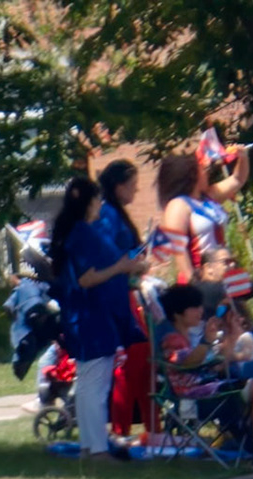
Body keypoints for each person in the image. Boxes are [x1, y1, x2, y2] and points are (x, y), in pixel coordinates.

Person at [52, 175, 149, 461]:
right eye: (97, 199)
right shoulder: (82, 233)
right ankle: (96, 450)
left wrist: (125, 266)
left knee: (87, 384)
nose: (100, 204)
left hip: (87, 316)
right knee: (96, 385)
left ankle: (89, 445)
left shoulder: (77, 231)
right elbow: (87, 278)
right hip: (91, 318)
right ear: (89, 201)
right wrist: (120, 267)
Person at [158, 282, 253, 469]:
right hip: (196, 397)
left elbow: (220, 362)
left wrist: (232, 334)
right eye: (194, 307)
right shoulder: (172, 339)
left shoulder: (195, 335)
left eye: (200, 306)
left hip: (214, 386)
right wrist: (207, 341)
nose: (200, 310)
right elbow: (189, 362)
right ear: (178, 313)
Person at [96, 159, 156, 439]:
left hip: (127, 294)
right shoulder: (108, 215)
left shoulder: (116, 213)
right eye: (132, 185)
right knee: (133, 360)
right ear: (118, 186)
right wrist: (135, 263)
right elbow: (110, 256)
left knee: (143, 361)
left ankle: (151, 427)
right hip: (115, 297)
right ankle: (121, 428)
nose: (136, 190)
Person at [158, 148, 246, 282]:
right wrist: (195, 283)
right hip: (200, 277)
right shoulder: (178, 205)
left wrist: (243, 156)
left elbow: (237, 179)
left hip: (223, 273)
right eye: (202, 169)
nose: (207, 172)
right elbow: (179, 249)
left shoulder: (209, 197)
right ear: (193, 176)